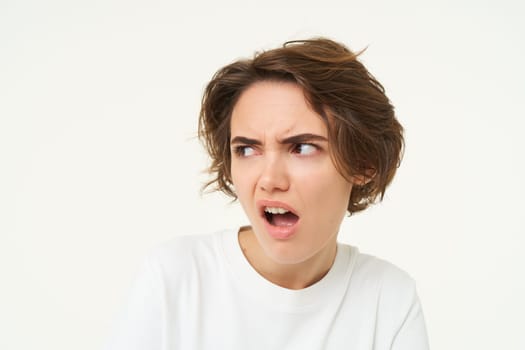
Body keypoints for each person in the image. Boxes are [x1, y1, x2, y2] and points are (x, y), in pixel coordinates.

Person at [105, 38, 429, 349]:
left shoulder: (388, 299)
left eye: (301, 148)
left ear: (363, 163)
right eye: (247, 149)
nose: (269, 179)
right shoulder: (174, 279)